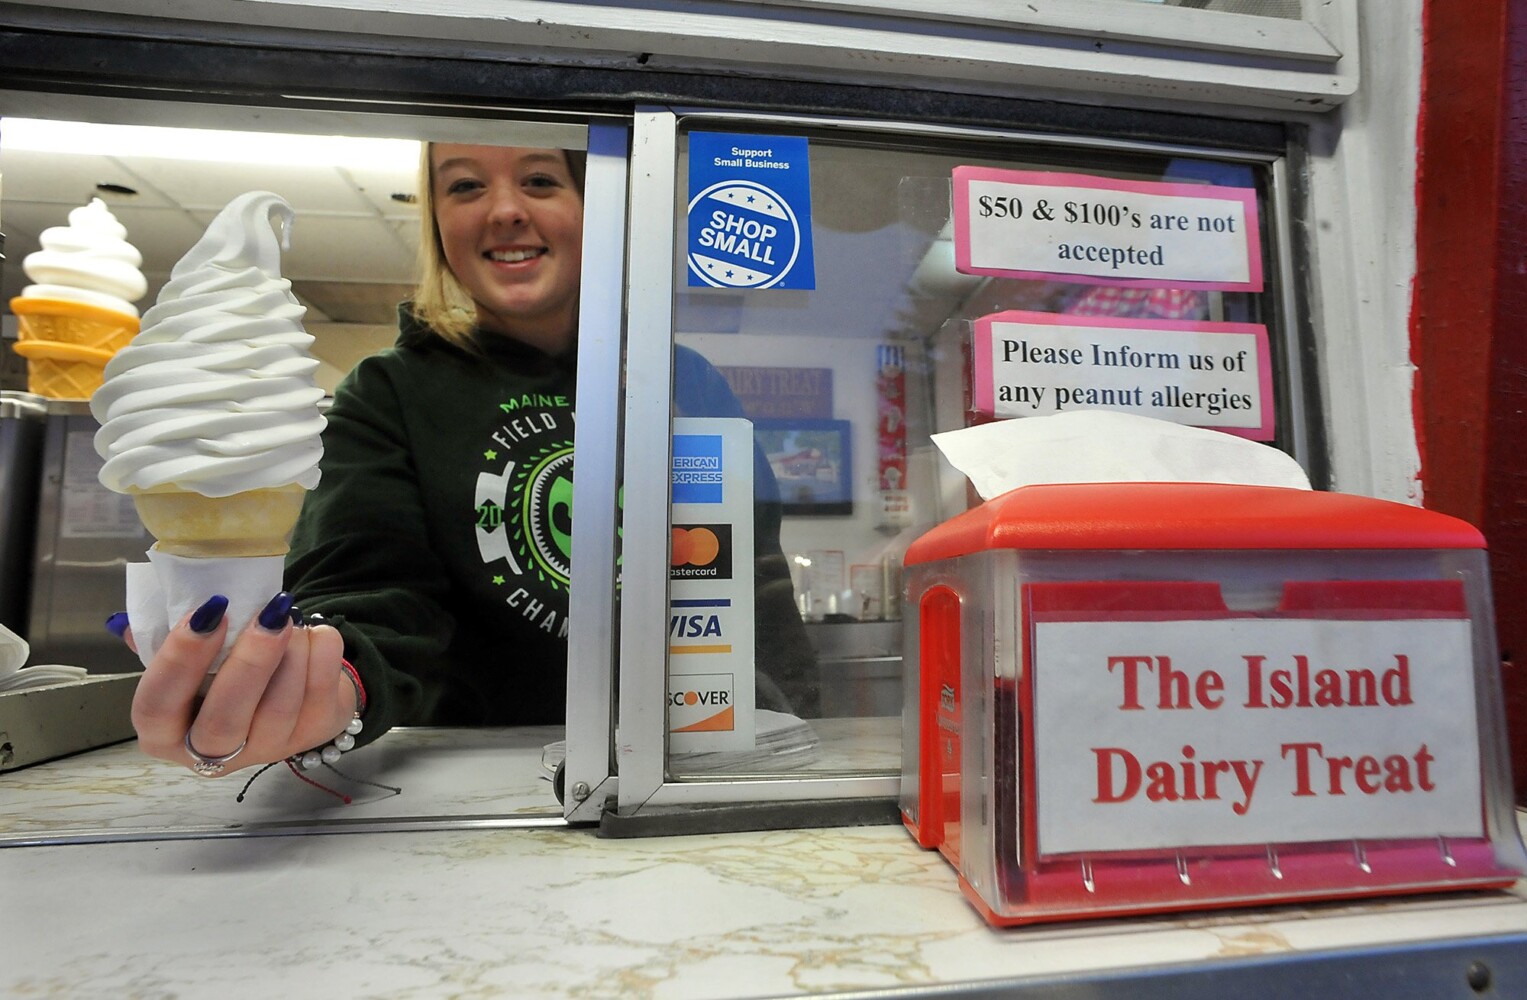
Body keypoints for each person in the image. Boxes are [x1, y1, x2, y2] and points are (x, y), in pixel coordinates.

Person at [126, 143, 816, 778]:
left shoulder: (684, 380)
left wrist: (801, 729)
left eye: (540, 180)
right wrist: (335, 684)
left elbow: (754, 595)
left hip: (681, 767)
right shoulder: (387, 392)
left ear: (595, 203)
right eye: (464, 186)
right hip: (471, 786)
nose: (506, 210)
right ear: (437, 224)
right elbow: (369, 593)